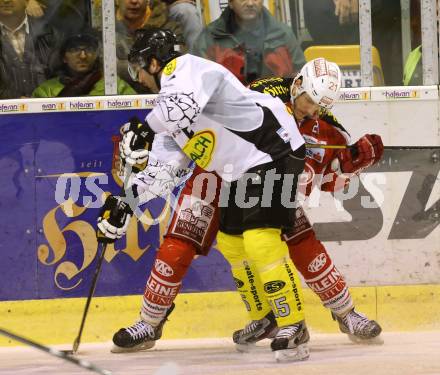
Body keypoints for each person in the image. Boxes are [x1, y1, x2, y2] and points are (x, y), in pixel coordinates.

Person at [99, 41, 383, 356]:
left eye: (319, 106)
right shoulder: (256, 90)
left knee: (295, 238)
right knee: (180, 243)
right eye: (309, 101)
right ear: (298, 83)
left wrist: (348, 165)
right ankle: (151, 322)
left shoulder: (325, 124)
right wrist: (130, 197)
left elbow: (329, 178)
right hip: (215, 172)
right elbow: (183, 142)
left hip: (261, 170)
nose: (311, 110)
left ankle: (346, 313)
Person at [191, 0, 305, 85]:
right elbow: (195, 81)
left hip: (279, 108)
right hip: (226, 110)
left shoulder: (283, 34)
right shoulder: (210, 37)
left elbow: (302, 77)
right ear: (230, 3)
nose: (250, 3)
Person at [32, 31, 136, 97]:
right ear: (64, 57)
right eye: (75, 49)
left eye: (89, 49)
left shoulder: (114, 85)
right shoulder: (47, 90)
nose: (83, 56)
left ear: (96, 55)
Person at [115, 0, 184, 93]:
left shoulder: (169, 28)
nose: (134, 1)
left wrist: (121, 67)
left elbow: (179, 65)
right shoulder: (103, 26)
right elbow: (101, 68)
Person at [0, 0, 61, 98]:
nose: (6, 0)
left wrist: (46, 99)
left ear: (27, 1)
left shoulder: (49, 34)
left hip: (47, 108)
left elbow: (60, 74)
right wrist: (12, 98)